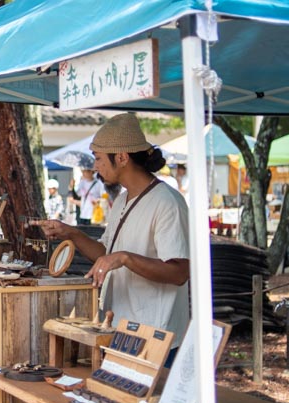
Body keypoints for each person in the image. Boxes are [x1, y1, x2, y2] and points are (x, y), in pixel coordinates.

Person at [33, 113, 190, 363]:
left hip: (155, 335)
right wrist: (71, 232)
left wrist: (125, 258)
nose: (95, 166)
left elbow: (179, 272)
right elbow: (106, 254)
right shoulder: (122, 200)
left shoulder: (167, 202)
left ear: (122, 157)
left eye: (98, 158)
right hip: (119, 328)